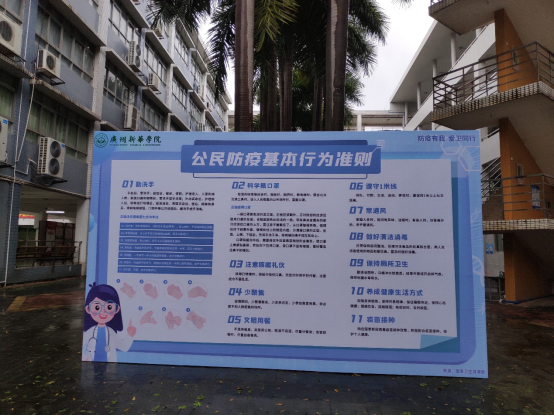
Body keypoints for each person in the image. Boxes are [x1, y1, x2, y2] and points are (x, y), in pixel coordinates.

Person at [82, 283, 136, 362]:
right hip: (92, 364)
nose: (103, 312)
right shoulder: (90, 332)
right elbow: (81, 346)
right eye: (97, 307)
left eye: (109, 307)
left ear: (116, 309)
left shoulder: (111, 332)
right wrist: (85, 357)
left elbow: (123, 347)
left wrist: (130, 335)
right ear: (88, 309)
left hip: (110, 365)